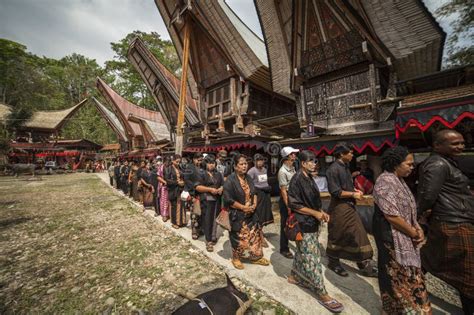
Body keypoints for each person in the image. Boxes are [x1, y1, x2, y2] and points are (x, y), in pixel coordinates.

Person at [417, 129, 474, 314]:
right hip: (452, 222)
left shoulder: (449, 162)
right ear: (438, 145)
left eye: (462, 143)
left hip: (457, 219)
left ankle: (412, 285)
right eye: (455, 143)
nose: (460, 146)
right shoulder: (437, 164)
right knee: (467, 274)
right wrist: (417, 218)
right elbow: (427, 196)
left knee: (431, 258)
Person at [373, 146, 430, 314]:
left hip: (403, 233)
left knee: (406, 274)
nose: (412, 167)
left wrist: (417, 228)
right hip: (390, 236)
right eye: (409, 164)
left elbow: (408, 211)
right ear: (395, 164)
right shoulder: (384, 182)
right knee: (397, 275)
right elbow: (392, 216)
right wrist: (413, 233)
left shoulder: (400, 181)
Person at [287, 150, 344, 314]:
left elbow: (313, 200)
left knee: (302, 252)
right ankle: (322, 292)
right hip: (303, 223)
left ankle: (295, 276)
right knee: (312, 257)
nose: (314, 164)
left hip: (312, 222)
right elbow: (294, 205)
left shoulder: (309, 178)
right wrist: (315, 213)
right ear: (303, 163)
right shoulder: (297, 179)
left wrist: (321, 212)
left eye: (315, 161)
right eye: (310, 161)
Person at [325, 143, 377, 277]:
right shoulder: (333, 169)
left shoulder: (346, 167)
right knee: (337, 234)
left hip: (349, 206)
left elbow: (346, 186)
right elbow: (335, 191)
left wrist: (354, 190)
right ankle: (333, 262)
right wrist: (352, 194)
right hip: (339, 208)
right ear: (342, 154)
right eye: (350, 152)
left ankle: (362, 261)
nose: (352, 154)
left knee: (358, 233)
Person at [223, 153, 270, 269]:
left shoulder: (248, 177)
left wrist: (254, 204)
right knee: (238, 238)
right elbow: (228, 200)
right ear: (235, 166)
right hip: (238, 214)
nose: (244, 166)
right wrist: (243, 207)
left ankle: (256, 257)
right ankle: (236, 258)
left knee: (255, 235)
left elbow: (254, 192)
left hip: (251, 213)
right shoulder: (230, 180)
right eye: (241, 164)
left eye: (245, 164)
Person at [196, 155, 224, 252]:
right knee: (207, 219)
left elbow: (223, 185)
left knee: (215, 219)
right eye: (209, 163)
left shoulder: (218, 174)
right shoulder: (201, 173)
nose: (211, 165)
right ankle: (208, 241)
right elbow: (198, 187)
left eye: (213, 163)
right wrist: (210, 189)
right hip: (206, 200)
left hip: (217, 200)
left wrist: (221, 189)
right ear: (205, 163)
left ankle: (213, 236)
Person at [277, 146, 299, 259]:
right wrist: (288, 205)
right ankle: (284, 248)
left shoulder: (293, 168)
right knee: (285, 224)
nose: (294, 155)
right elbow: (283, 191)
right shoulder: (282, 171)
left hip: (294, 198)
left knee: (294, 223)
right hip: (286, 200)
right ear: (287, 156)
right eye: (292, 154)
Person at [247, 153, 274, 247]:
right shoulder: (251, 171)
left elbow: (264, 181)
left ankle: (260, 231)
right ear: (254, 162)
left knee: (265, 214)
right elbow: (249, 184)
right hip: (258, 195)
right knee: (258, 215)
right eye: (258, 160)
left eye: (261, 160)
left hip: (265, 194)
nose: (260, 162)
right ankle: (260, 236)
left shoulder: (264, 170)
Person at [184, 153, 204, 239]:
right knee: (194, 213)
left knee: (201, 213)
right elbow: (186, 180)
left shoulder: (203, 168)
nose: (199, 162)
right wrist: (195, 187)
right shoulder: (189, 167)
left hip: (202, 193)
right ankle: (194, 231)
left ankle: (200, 229)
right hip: (194, 194)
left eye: (200, 160)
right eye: (198, 160)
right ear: (194, 159)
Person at [165, 154, 186, 229]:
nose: (178, 163)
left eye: (179, 162)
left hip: (180, 189)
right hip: (173, 190)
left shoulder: (180, 168)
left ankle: (181, 221)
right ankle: (174, 222)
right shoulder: (168, 169)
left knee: (181, 205)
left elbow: (183, 176)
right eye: (177, 162)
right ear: (173, 161)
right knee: (174, 206)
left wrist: (183, 181)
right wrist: (177, 183)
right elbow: (167, 180)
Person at [157, 156, 170, 222]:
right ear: (164, 161)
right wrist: (164, 182)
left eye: (169, 161)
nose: (167, 162)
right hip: (163, 186)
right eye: (166, 161)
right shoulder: (161, 168)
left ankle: (169, 214)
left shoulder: (170, 167)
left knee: (169, 201)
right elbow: (158, 177)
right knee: (164, 201)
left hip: (170, 186)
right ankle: (164, 215)